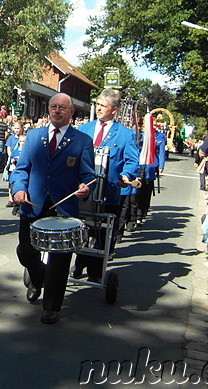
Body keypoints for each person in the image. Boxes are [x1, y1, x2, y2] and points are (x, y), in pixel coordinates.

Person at [11, 93, 95, 325]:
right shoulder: (34, 136)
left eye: (62, 108)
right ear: (48, 110)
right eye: (53, 107)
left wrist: (85, 188)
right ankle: (38, 278)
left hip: (63, 207)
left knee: (59, 260)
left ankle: (51, 307)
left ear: (71, 113)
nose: (57, 111)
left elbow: (89, 175)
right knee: (25, 251)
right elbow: (21, 169)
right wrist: (18, 189)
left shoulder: (82, 141)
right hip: (33, 203)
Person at [74, 88, 139, 282]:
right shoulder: (84, 129)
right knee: (82, 228)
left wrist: (126, 175)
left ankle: (95, 270)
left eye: (103, 105)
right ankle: (79, 262)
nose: (98, 108)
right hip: (84, 191)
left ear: (115, 110)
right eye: (97, 104)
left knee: (103, 233)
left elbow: (131, 161)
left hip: (109, 192)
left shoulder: (126, 134)